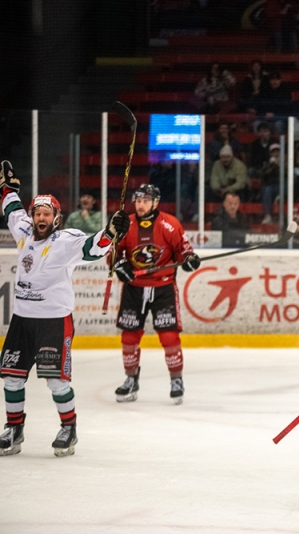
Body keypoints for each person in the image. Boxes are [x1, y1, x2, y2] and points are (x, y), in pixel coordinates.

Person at [0, 160, 129, 457]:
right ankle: (14, 428)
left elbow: (92, 248)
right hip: (22, 319)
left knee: (56, 381)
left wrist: (110, 231)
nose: (41, 217)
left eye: (47, 213)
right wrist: (8, 189)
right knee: (12, 377)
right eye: (37, 213)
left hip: (54, 321)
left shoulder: (65, 241)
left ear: (57, 218)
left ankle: (69, 429)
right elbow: (11, 209)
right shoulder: (23, 230)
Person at [111, 184, 199, 406]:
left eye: (145, 200)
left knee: (169, 337)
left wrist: (189, 259)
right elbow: (113, 253)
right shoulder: (126, 224)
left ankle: (176, 380)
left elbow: (184, 250)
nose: (140, 204)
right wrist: (119, 264)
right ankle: (131, 379)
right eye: (138, 200)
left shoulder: (169, 224)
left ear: (155, 202)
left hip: (163, 287)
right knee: (129, 337)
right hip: (134, 288)